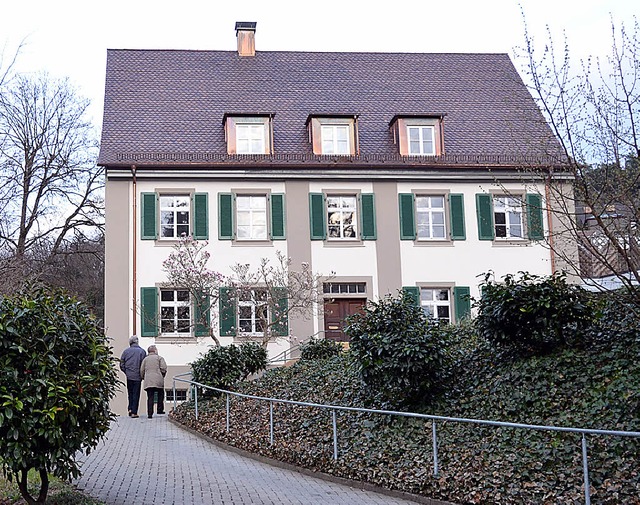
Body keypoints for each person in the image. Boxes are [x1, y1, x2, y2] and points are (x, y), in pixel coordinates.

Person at [120, 335, 147, 418]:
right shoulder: (142, 352)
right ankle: (134, 412)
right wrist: (142, 374)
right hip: (138, 376)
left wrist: (126, 372)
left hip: (129, 376)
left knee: (130, 393)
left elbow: (121, 364)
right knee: (136, 394)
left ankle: (130, 408)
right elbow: (143, 365)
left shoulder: (125, 352)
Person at [140, 345, 168, 419]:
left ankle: (150, 413)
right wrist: (162, 375)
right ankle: (160, 409)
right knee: (161, 394)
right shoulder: (159, 358)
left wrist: (144, 377)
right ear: (155, 351)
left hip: (148, 380)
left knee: (150, 397)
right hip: (158, 379)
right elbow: (163, 368)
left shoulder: (145, 359)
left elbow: (141, 370)